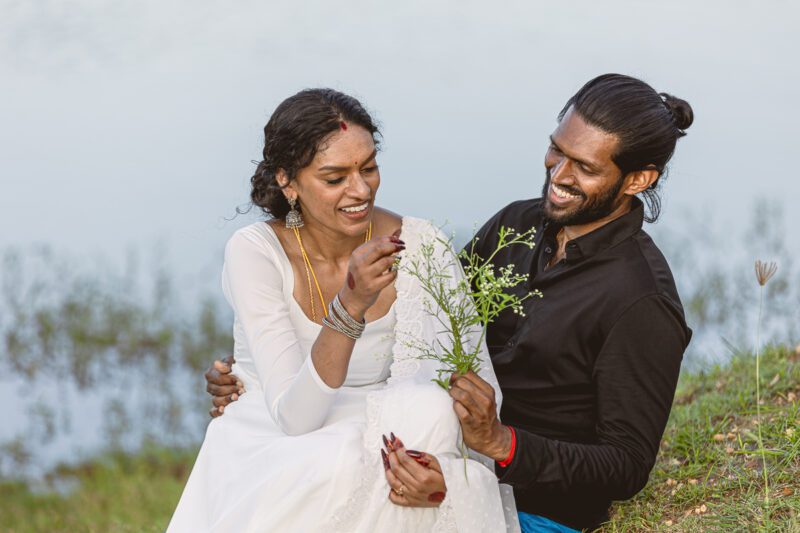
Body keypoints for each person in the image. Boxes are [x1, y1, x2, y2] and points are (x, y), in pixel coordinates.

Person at [206, 74, 694, 531]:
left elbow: (626, 466)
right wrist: (257, 368)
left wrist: (502, 448)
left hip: (534, 508)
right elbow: (422, 316)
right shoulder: (519, 223)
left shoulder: (641, 299)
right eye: (555, 150)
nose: (558, 174)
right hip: (428, 451)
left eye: (584, 167)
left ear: (637, 180)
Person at [168, 88, 517, 532]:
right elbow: (297, 419)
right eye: (335, 178)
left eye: (369, 168)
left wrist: (443, 473)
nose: (361, 189)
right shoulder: (256, 253)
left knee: (427, 419)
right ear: (288, 182)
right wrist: (351, 306)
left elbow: (471, 386)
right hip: (281, 440)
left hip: (389, 430)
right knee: (329, 465)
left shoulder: (420, 245)